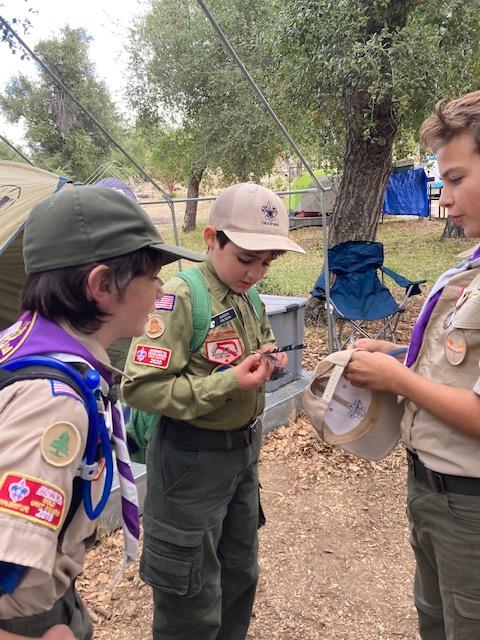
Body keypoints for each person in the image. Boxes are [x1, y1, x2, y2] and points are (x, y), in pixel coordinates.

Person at [0, 185, 202, 640]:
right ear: (103, 286)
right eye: (152, 277)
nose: (160, 291)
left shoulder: (22, 348)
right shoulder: (52, 403)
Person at [122, 182, 305, 640]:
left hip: (241, 456)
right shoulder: (181, 298)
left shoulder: (247, 295)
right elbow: (141, 386)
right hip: (190, 461)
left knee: (240, 571)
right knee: (190, 591)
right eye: (246, 258)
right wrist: (229, 382)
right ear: (211, 239)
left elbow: (259, 340)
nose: (256, 273)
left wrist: (269, 358)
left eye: (267, 262)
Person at [344, 89, 480, 640]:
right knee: (435, 619)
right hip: (433, 491)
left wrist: (398, 379)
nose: (443, 200)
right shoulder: (471, 264)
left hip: (469, 505)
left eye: (456, 179)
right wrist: (401, 357)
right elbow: (462, 365)